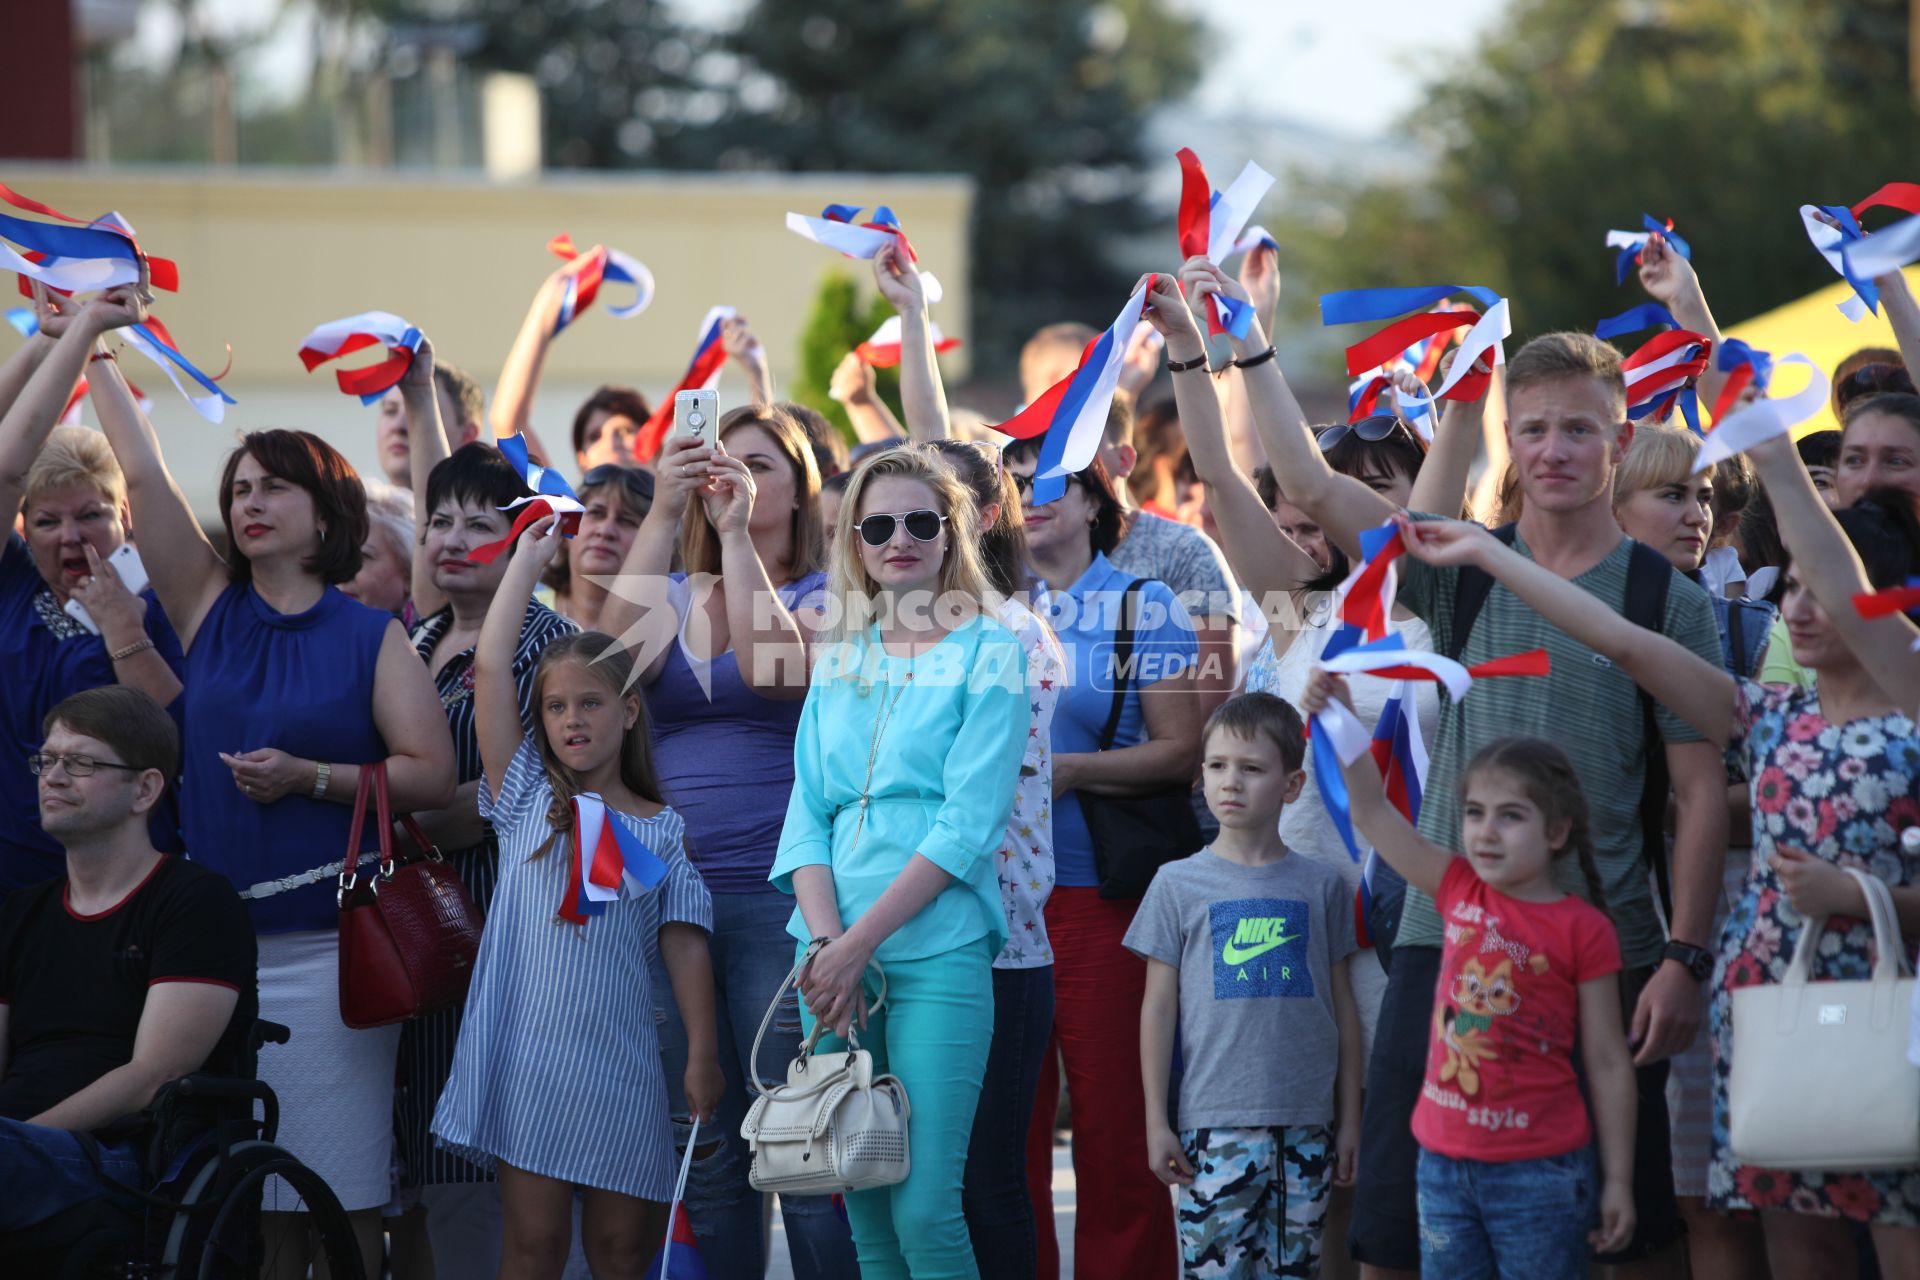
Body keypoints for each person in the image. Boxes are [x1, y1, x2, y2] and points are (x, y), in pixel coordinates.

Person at [1211, 240, 1726, 1280]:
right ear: (1510, 433)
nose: (1554, 450)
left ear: (1619, 438)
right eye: (1531, 427)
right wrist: (1246, 339)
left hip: (1602, 943)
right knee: (1400, 1237)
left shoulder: (1663, 597)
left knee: (1610, 1236)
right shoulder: (1455, 562)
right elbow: (1308, 478)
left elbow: (1703, 788)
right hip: (1437, 936)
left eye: (1579, 428)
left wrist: (1683, 956)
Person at [1386, 465, 1920, 1276]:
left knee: (1900, 1235)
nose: (1801, 611)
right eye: (1795, 590)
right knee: (1800, 1241)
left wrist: (1860, 896)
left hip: (1890, 1016)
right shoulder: (1768, 714)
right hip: (1772, 1010)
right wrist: (1492, 558)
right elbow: (1622, 641)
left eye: (1828, 591)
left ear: (1890, 605)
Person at [79, 277, 456, 1277]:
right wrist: (93, 344)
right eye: (240, 487)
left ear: (325, 506)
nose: (248, 501)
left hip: (333, 955)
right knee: (227, 1201)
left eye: (271, 485)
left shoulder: (372, 634)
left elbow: (433, 771)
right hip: (206, 948)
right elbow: (147, 483)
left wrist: (311, 777)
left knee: (325, 1202)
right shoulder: (208, 603)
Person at [599, 403, 858, 1280]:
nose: (734, 477)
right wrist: (665, 512)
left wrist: (735, 537)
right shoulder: (673, 593)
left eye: (760, 465)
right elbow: (608, 672)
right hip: (671, 896)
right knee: (701, 1135)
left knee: (799, 1132)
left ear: (800, 486)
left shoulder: (829, 592)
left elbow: (773, 669)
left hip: (779, 895)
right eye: (718, 461)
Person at [431, 512, 719, 1280]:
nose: (571, 721)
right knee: (534, 1248)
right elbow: (493, 668)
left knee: (624, 1251)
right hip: (529, 1059)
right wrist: (529, 559)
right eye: (556, 708)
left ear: (628, 713)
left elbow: (684, 938)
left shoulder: (658, 828)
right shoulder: (522, 794)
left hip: (621, 1061)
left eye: (589, 704)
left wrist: (701, 1052)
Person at [773, 446, 1028, 1278]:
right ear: (853, 540)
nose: (900, 539)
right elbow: (807, 814)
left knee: (925, 1209)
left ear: (953, 533)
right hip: (827, 959)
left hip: (937, 952)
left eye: (922, 521)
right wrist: (823, 946)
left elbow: (970, 824)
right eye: (878, 525)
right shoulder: (839, 652)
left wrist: (853, 948)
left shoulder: (992, 648)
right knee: (866, 1211)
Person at [1303, 668, 1638, 1278]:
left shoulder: (1585, 930)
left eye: (1511, 815)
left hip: (1543, 1174)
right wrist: (1340, 718)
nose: (1486, 830)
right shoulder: (1456, 888)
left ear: (1557, 831)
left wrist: (1617, 1181)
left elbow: (1610, 1062)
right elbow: (1373, 811)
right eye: (1475, 812)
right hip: (1441, 1167)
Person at [390, 372, 580, 1276]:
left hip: (512, 930)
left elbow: (526, 797)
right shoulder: (417, 642)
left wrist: (408, 813)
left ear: (524, 540)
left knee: (513, 1156)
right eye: (441, 522)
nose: (453, 539)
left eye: (480, 522)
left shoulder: (546, 645)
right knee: (432, 1156)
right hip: (424, 939)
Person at [1004, 439, 1201, 1280]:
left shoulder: (1140, 605)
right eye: (1013, 485)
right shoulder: (980, 607)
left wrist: (1069, 772)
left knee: (1120, 1135)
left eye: (1052, 482)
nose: (1031, 497)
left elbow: (1184, 752)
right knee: (1006, 1137)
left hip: (1103, 901)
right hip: (997, 901)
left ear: (1096, 502)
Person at [1609, 422, 1775, 1278]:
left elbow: (1797, 783)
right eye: (1673, 495)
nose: (1696, 514)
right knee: (1629, 1194)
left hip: (1724, 926)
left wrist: (1689, 806)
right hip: (1607, 925)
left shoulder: (1750, 630)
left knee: (1719, 1196)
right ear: (1612, 503)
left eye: (1706, 497)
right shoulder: (1567, 620)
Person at [0, 687, 254, 1234]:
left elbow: (153, 1075)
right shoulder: (20, 912)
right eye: (46, 760)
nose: (54, 776)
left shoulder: (195, 902)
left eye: (81, 762)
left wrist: (19, 1139)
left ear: (145, 789)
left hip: (119, 1160)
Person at [1128, 692, 1363, 1280]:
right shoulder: (1176, 884)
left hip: (1309, 1126)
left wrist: (1351, 1118)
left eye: (1252, 768)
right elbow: (1157, 1011)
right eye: (1217, 765)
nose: (1231, 781)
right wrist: (1157, 1120)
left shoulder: (1323, 885)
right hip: (1213, 1127)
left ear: (1291, 784)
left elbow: (1343, 1009)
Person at [927, 437, 1069, 1280]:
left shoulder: (1014, 635)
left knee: (986, 1184)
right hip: (903, 940)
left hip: (998, 944)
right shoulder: (889, 632)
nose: (903, 534)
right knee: (910, 1184)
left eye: (928, 513)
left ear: (977, 521)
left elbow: (960, 806)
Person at [0, 297, 186, 895]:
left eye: (91, 514)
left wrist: (123, 633)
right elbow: (5, 469)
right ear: (25, 527)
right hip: (13, 881)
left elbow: (180, 736)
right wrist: (50, 340)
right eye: (49, 522)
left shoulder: (168, 602)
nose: (72, 536)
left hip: (127, 884)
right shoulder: (13, 586)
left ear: (125, 516)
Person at [542, 464, 654, 630]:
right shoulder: (524, 609)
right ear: (565, 527)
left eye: (626, 520)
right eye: (596, 513)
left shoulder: (666, 627)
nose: (605, 531)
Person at [372, 358, 485, 487]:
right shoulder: (356, 505)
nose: (398, 426)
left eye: (419, 413)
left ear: (467, 436)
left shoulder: (495, 505)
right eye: (390, 410)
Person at [343, 479, 415, 618]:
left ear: (409, 575)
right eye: (336, 554)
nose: (342, 571)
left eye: (363, 556)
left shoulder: (427, 637)